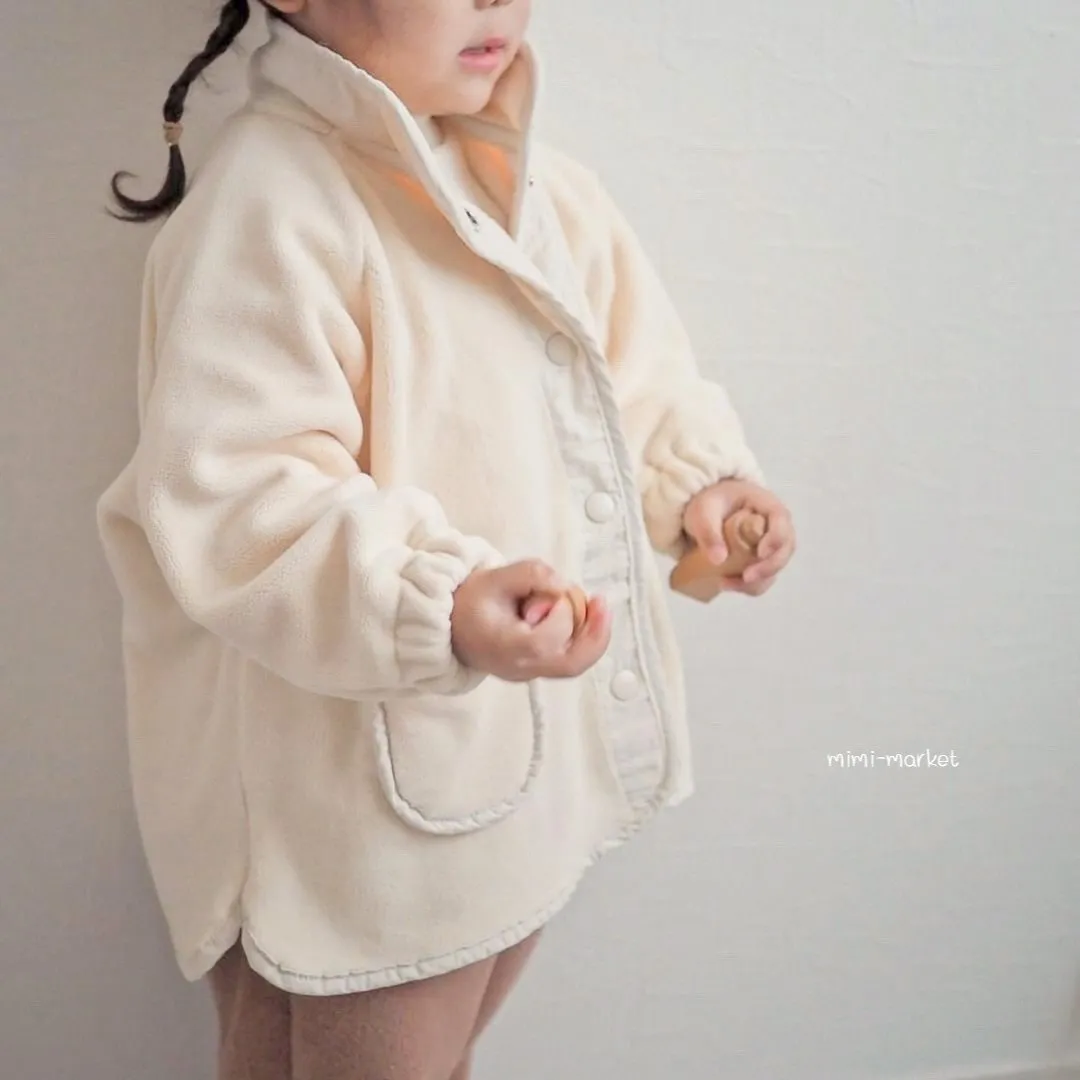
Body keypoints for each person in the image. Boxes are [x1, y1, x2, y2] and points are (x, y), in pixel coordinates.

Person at [97, 1, 796, 1077]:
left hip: (516, 764)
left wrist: (703, 485)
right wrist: (436, 601)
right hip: (361, 793)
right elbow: (238, 493)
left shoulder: (535, 187)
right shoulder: (272, 205)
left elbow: (629, 372)